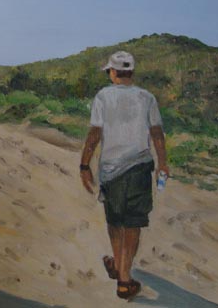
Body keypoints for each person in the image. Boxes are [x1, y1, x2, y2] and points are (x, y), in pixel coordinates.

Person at [79, 51, 169, 300]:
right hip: (140, 167)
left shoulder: (103, 96)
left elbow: (95, 134)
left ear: (113, 72)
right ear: (131, 72)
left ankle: (122, 274)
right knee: (133, 224)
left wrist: (84, 165)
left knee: (115, 221)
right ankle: (123, 274)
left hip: (111, 170)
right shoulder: (147, 97)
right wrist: (163, 163)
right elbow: (157, 133)